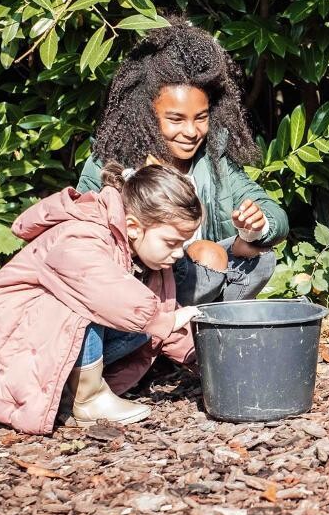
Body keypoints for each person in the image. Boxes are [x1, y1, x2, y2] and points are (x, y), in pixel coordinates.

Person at [0, 163, 203, 434]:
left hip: (43, 346)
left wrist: (203, 359)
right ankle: (89, 399)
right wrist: (161, 319)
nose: (179, 253)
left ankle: (69, 391)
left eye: (183, 243)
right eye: (171, 242)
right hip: (8, 344)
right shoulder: (85, 231)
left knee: (143, 327)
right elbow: (100, 287)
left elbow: (164, 313)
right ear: (134, 227)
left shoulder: (148, 259)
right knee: (94, 301)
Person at [76, 16, 288, 306]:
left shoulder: (214, 160)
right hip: (134, 288)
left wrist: (257, 227)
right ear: (147, 114)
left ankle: (204, 331)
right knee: (207, 255)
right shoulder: (110, 164)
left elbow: (276, 217)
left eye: (201, 118)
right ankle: (172, 334)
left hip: (201, 277)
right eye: (176, 119)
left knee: (259, 254)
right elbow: (83, 245)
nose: (191, 132)